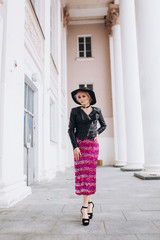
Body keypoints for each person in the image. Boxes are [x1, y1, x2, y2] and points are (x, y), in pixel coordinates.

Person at [68, 87, 107, 226]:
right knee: (82, 175)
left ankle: (85, 208)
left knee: (89, 175)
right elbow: (70, 130)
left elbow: (104, 125)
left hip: (92, 147)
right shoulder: (75, 111)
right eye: (79, 97)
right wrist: (75, 147)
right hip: (80, 146)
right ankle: (88, 204)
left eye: (83, 96)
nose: (80, 99)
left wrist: (97, 133)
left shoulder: (97, 110)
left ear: (90, 97)